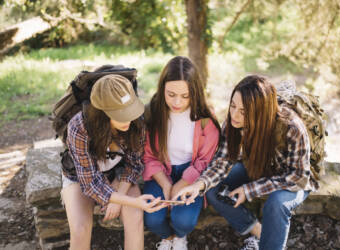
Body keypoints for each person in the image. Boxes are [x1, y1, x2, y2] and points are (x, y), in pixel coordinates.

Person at [173, 75, 319, 250]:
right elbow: (223, 161)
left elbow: (298, 177)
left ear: (260, 112)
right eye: (233, 106)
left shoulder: (292, 127)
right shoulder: (233, 122)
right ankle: (258, 231)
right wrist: (199, 185)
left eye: (243, 112)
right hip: (260, 168)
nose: (234, 115)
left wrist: (249, 190)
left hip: (292, 179)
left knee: (277, 204)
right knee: (212, 189)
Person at [60, 74, 165, 250]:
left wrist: (119, 199)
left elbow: (134, 164)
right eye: (120, 115)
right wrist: (127, 200)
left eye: (129, 112)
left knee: (134, 218)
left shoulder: (136, 122)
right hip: (80, 176)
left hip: (117, 171)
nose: (128, 120)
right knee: (80, 229)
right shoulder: (78, 126)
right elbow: (90, 182)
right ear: (101, 113)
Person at [142, 56, 221, 250]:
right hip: (161, 171)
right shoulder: (152, 113)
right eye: (171, 94)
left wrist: (182, 183)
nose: (177, 102)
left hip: (191, 173)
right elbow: (149, 155)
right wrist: (166, 183)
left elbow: (204, 160)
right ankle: (167, 237)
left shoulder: (204, 119)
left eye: (185, 96)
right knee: (152, 218)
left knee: (185, 221)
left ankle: (180, 237)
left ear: (195, 92)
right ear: (162, 90)